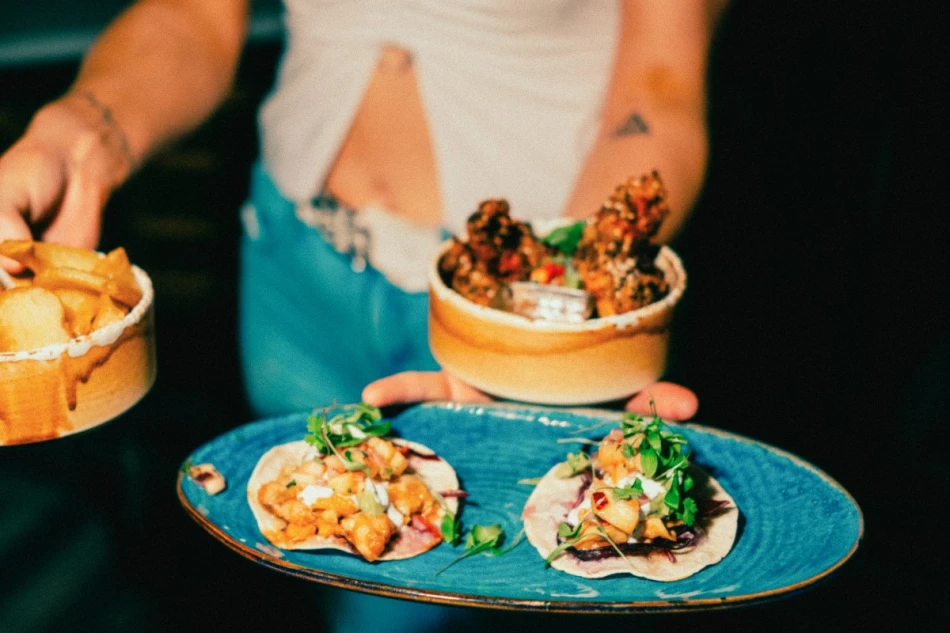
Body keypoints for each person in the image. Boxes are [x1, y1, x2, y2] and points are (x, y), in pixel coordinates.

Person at [0, 1, 724, 630]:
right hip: (296, 257)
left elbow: (658, 82)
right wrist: (74, 142)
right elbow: (194, 14)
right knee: (325, 560)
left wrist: (553, 329)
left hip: (516, 308)